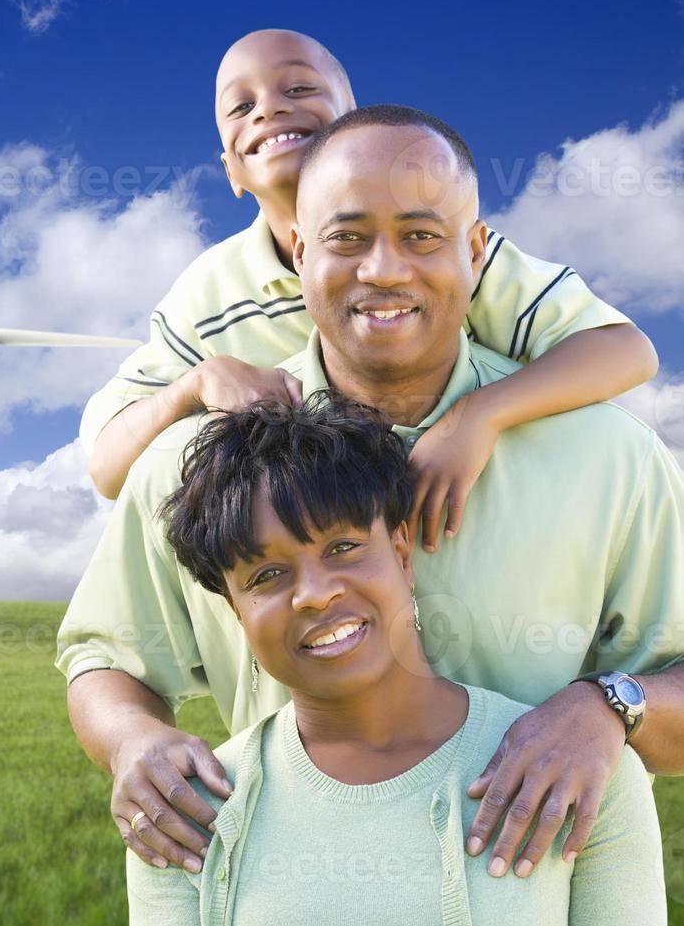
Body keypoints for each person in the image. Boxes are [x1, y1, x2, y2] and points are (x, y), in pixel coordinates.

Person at [55, 105, 684, 887]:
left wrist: (608, 705)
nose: (382, 269)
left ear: (475, 250)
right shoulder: (192, 465)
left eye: (421, 236)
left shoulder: (607, 456)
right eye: (346, 238)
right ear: (297, 249)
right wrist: (130, 743)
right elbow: (105, 657)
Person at [81, 29, 657, 565]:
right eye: (240, 105)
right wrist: (197, 383)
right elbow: (109, 470)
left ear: (354, 128)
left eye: (299, 87)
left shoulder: (448, 256)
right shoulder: (209, 293)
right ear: (231, 170)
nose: (269, 108)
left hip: (474, 526)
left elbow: (624, 350)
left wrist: (477, 416)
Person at [123, 394, 666, 926]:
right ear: (236, 612)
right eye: (265, 576)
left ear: (402, 556)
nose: (313, 594)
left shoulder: (580, 766)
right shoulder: (180, 809)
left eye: (342, 548)